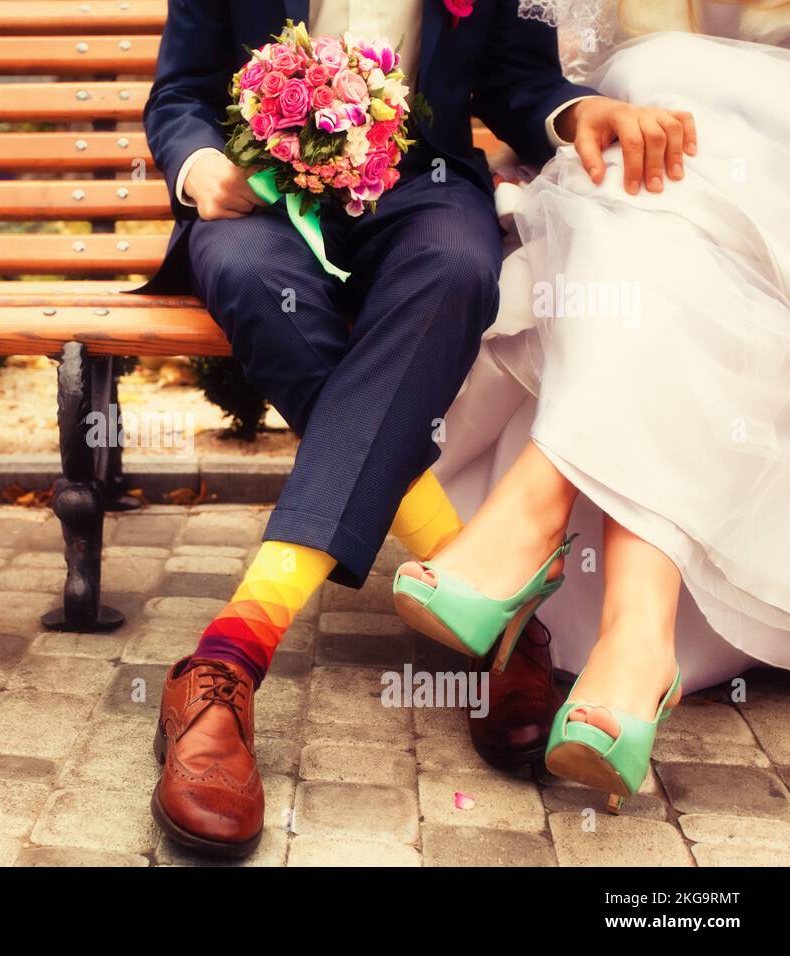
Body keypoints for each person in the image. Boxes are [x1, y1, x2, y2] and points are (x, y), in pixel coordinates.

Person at [141, 0, 683, 856]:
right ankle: (501, 626)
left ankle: (230, 656)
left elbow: (516, 79)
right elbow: (179, 95)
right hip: (261, 201)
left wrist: (578, 111)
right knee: (249, 281)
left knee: (460, 270)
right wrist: (199, 162)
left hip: (425, 190)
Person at [395, 0, 790, 810]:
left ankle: (533, 514)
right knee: (641, 157)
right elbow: (527, 71)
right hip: (622, 175)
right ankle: (639, 646)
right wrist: (579, 113)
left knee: (660, 117)